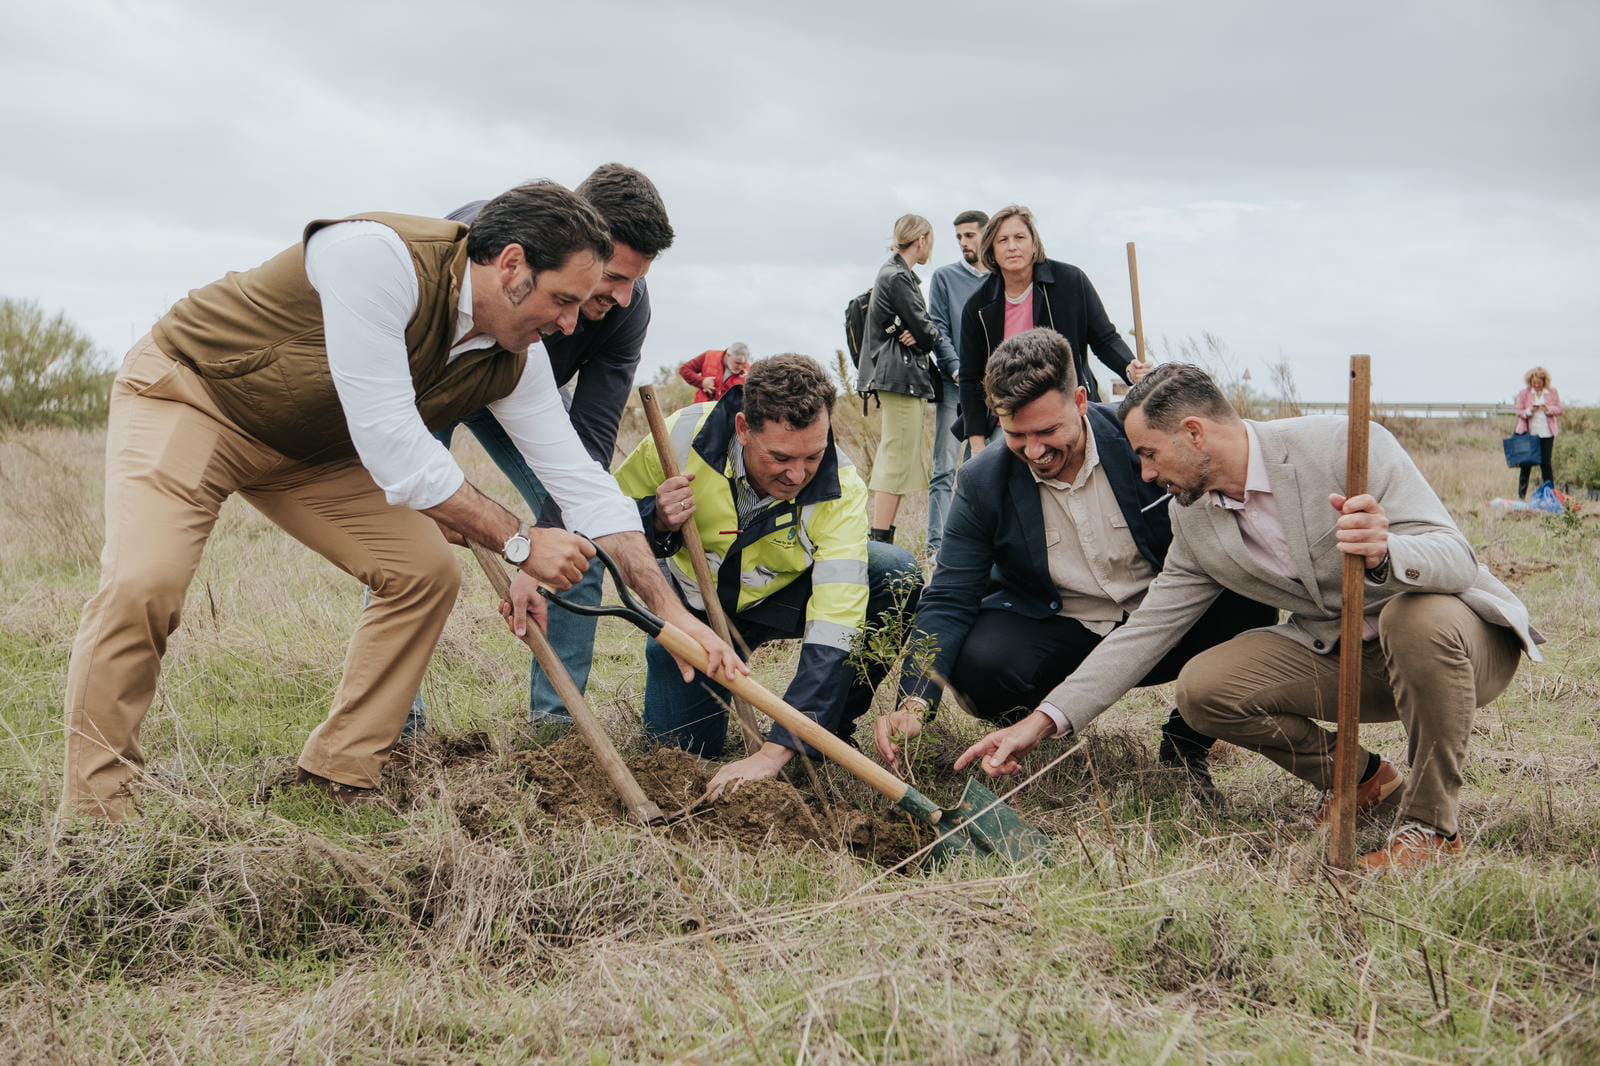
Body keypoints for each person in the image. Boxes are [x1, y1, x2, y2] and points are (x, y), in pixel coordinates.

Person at [61, 181, 741, 820]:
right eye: (563, 302)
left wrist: (665, 610)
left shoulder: (516, 355)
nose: (570, 326)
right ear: (511, 266)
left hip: (311, 452)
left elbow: (581, 483)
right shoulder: (373, 258)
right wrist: (522, 542)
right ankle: (98, 808)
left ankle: (337, 776)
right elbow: (394, 446)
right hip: (198, 397)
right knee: (143, 581)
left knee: (422, 574)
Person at [956, 363, 1542, 871]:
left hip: (1455, 645)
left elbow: (1457, 558)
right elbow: (1145, 632)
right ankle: (1362, 780)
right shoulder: (1194, 519)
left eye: (1149, 454)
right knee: (1204, 690)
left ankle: (1432, 827)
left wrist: (1390, 550)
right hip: (1341, 655)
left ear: (1193, 433)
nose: (1146, 475)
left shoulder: (1344, 445)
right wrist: (1042, 722)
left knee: (1413, 620)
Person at [873, 329, 1276, 800]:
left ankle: (1185, 739)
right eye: (1017, 435)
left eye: (1048, 432)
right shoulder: (982, 481)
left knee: (1250, 599)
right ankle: (1033, 727)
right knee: (978, 662)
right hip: (1064, 627)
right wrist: (915, 700)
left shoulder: (1141, 446)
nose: (1035, 451)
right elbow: (949, 595)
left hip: (1166, 622)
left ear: (1081, 400)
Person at [392, 163, 675, 733]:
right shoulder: (487, 243)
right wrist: (517, 543)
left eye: (635, 282)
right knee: (409, 541)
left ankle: (555, 730)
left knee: (585, 539)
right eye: (614, 277)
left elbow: (591, 436)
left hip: (524, 401)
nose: (623, 298)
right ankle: (399, 723)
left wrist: (543, 551)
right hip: (434, 384)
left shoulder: (627, 311)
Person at [614, 355, 923, 797]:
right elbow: (610, 521)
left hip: (782, 597)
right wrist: (656, 518)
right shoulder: (681, 437)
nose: (797, 474)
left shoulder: (842, 486)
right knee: (679, 753)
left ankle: (825, 731)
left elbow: (838, 622)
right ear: (743, 429)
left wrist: (779, 747)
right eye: (780, 457)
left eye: (812, 455)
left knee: (893, 572)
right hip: (697, 615)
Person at [957, 205, 1151, 457]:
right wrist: (977, 443)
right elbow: (971, 378)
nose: (1012, 246)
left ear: (1034, 245)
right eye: (1002, 240)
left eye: (1019, 238)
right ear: (992, 250)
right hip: (1007, 418)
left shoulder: (1070, 281)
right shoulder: (978, 306)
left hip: (1068, 407)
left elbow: (1104, 338)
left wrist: (1129, 367)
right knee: (985, 480)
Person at [855, 214, 946, 545]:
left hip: (897, 376)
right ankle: (879, 539)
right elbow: (927, 331)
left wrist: (919, 333)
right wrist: (925, 333)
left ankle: (883, 536)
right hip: (900, 377)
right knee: (895, 454)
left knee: (897, 452)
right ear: (921, 240)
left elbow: (918, 330)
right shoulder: (897, 277)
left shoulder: (893, 274)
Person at [924, 209, 989, 557]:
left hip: (993, 387)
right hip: (955, 384)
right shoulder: (945, 278)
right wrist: (956, 370)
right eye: (959, 237)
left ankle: (979, 544)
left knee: (987, 464)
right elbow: (938, 329)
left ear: (985, 234)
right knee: (945, 467)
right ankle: (937, 547)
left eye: (970, 236)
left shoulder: (999, 279)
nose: (964, 243)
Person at [1514, 366, 1563, 499]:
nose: (1536, 385)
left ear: (1544, 381)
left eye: (1539, 383)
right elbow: (1519, 411)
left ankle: (1551, 497)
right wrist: (1530, 410)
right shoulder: (1524, 393)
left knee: (1546, 465)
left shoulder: (1552, 392)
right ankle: (1521, 497)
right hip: (1529, 435)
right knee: (1526, 465)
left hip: (1547, 433)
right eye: (1533, 382)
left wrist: (1547, 409)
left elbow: (1559, 409)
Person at [679, 342, 751, 403]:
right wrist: (702, 381)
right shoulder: (709, 356)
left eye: (743, 363)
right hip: (703, 409)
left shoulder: (749, 371)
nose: (741, 367)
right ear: (728, 354)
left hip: (729, 415)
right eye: (737, 363)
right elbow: (684, 369)